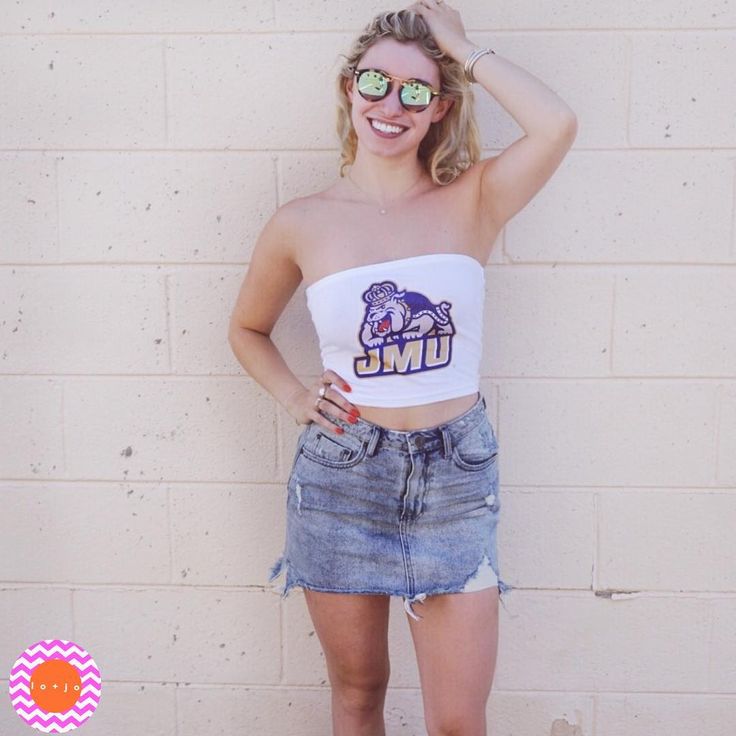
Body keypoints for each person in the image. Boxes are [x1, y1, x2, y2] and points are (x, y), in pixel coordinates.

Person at [228, 2, 577, 733]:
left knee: (458, 721)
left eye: (415, 91)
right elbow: (248, 329)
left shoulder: (474, 197)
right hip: (343, 476)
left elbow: (556, 125)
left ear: (440, 108)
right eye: (375, 82)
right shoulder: (302, 220)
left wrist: (461, 47)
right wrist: (295, 396)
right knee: (359, 698)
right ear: (349, 88)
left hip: (454, 477)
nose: (390, 104)